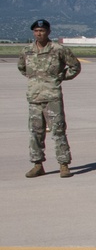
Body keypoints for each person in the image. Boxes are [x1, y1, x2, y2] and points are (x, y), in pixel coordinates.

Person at [18, 19, 81, 178]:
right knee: (35, 132)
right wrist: (35, 80)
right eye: (36, 31)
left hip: (52, 97)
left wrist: (59, 78)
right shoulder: (27, 51)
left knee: (58, 131)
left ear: (48, 32)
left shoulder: (58, 50)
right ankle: (37, 164)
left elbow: (75, 66)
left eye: (42, 30)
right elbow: (22, 67)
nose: (39, 33)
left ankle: (63, 164)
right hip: (34, 97)